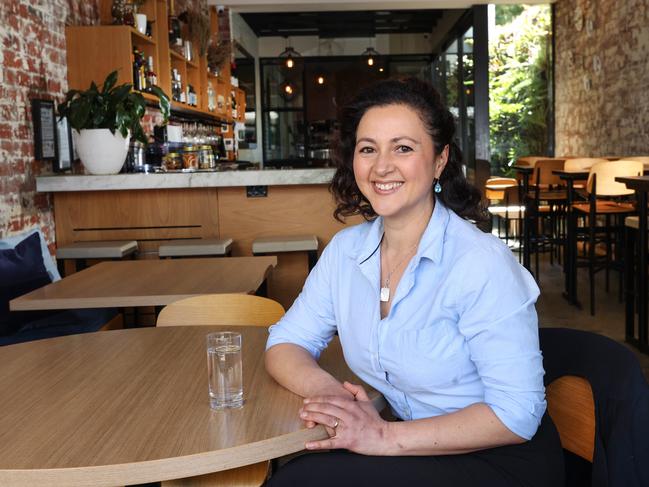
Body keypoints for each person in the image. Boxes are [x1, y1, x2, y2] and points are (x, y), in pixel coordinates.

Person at [264, 77, 564, 487]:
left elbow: (517, 414)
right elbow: (285, 342)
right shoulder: (345, 252)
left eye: (402, 148)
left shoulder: (480, 263)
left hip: (497, 458)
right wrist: (332, 397)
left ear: (439, 160)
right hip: (412, 443)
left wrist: (382, 435)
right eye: (368, 148)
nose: (381, 166)